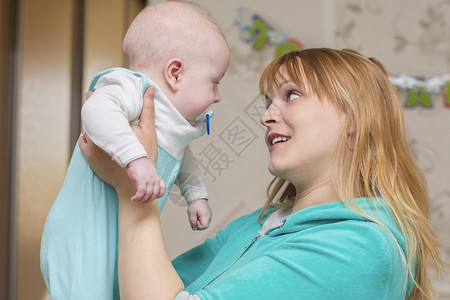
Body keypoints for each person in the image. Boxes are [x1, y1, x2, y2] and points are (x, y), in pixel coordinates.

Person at [80, 48, 444, 300]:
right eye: (268, 100)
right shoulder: (256, 226)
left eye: (292, 95)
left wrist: (134, 194)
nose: (267, 115)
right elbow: (131, 287)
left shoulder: (361, 247)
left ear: (355, 118)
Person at [40, 1, 230, 299]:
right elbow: (97, 109)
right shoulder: (134, 88)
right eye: (214, 83)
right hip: (82, 234)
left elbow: (181, 156)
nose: (218, 96)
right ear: (175, 73)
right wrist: (136, 158)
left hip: (118, 234)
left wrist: (196, 196)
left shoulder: (174, 124)